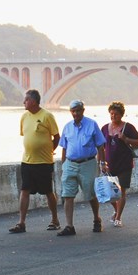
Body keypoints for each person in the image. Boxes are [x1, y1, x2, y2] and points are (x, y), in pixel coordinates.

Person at [9, 89, 61, 233]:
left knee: (48, 191)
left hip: (43, 162)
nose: (23, 102)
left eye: (26, 100)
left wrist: (50, 151)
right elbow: (26, 136)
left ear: (33, 101)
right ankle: (21, 222)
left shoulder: (47, 116)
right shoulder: (24, 117)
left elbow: (56, 137)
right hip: (27, 161)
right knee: (24, 190)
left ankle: (55, 220)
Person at [56, 99, 107, 236]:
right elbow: (64, 147)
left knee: (90, 194)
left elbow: (100, 146)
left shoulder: (92, 124)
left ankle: (97, 219)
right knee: (68, 195)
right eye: (73, 111)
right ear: (70, 112)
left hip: (88, 163)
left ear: (83, 111)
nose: (76, 113)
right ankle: (69, 226)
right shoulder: (67, 127)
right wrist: (64, 165)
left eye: (78, 110)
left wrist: (102, 163)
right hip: (70, 164)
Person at [101, 101, 138, 227]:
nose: (113, 116)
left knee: (122, 192)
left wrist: (126, 139)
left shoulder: (128, 127)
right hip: (109, 165)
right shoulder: (104, 128)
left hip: (124, 164)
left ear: (121, 115)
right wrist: (102, 163)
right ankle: (116, 210)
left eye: (116, 114)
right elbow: (100, 147)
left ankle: (118, 217)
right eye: (112, 114)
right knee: (109, 193)